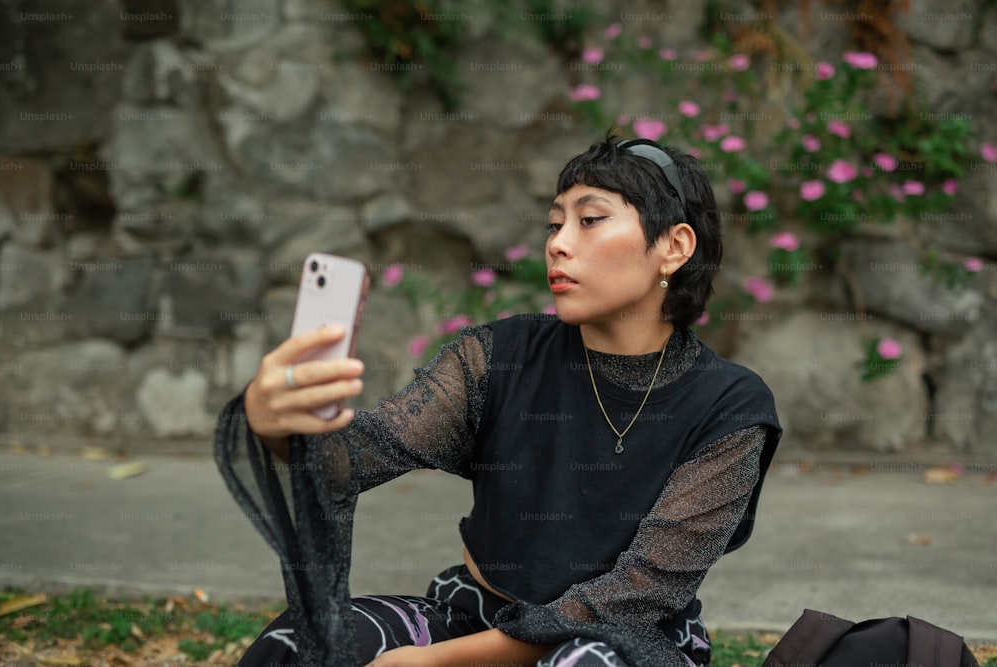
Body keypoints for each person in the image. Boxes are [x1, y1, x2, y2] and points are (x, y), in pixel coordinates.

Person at [214, 134, 782, 667]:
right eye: (555, 223)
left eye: (590, 220)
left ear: (675, 246)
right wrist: (273, 422)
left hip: (623, 642)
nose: (558, 243)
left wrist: (432, 662)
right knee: (298, 643)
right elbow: (352, 457)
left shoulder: (730, 406)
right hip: (475, 617)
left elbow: (635, 595)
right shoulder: (500, 355)